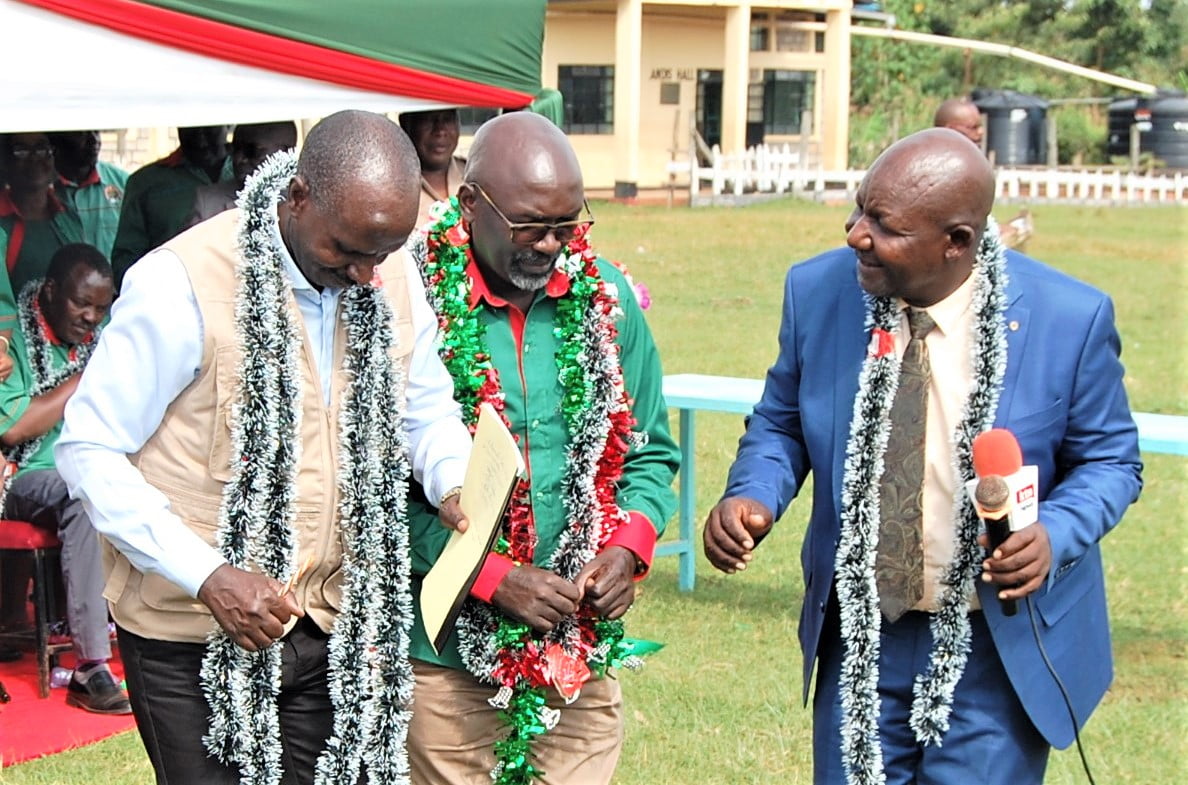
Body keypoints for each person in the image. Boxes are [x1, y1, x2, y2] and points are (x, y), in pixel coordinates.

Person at [703, 128, 1142, 785]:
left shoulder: (1067, 318)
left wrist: (1055, 532)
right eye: (859, 210)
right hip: (861, 635)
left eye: (884, 226)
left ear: (957, 242)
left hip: (993, 646)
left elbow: (1112, 459)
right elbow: (784, 420)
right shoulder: (819, 292)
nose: (856, 234)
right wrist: (754, 492)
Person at [55, 110, 473, 784]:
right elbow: (89, 448)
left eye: (383, 252)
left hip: (327, 618)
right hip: (188, 630)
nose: (369, 274)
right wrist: (208, 574)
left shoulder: (389, 272)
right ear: (298, 196)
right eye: (348, 250)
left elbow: (424, 406)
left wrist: (452, 477)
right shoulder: (182, 282)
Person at [403, 112, 679, 785]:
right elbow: (370, 488)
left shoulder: (607, 299)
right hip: (444, 658)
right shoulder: (407, 300)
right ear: (470, 204)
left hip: (574, 652)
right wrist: (493, 577)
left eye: (569, 224)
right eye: (530, 227)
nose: (552, 245)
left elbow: (651, 454)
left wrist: (627, 545)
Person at [0, 243, 125, 713]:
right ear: (51, 292)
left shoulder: (105, 336)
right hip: (27, 475)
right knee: (83, 493)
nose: (93, 318)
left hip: (98, 459)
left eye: (101, 308)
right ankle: (91, 665)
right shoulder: (14, 338)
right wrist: (83, 381)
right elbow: (12, 426)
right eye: (81, 304)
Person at [110, 125, 232, 289]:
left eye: (209, 128)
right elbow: (125, 263)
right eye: (190, 127)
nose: (200, 138)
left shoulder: (251, 170)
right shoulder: (147, 182)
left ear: (227, 125)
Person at [0, 132, 85, 313]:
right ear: (6, 161)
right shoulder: (2, 224)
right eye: (21, 150)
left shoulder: (68, 215)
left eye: (42, 149)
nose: (34, 158)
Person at [183, 121, 298, 227]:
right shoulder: (208, 204)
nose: (239, 159)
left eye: (252, 151)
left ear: (286, 153)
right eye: (234, 149)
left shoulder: (307, 201)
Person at [49, 131, 129, 259]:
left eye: (96, 131)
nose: (94, 140)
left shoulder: (122, 183)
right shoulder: (41, 189)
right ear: (56, 140)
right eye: (81, 133)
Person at [399, 108, 466, 227]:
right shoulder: (391, 184)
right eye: (428, 120)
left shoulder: (476, 176)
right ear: (405, 124)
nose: (440, 131)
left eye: (447, 119)